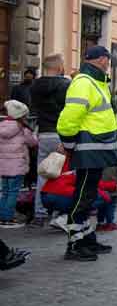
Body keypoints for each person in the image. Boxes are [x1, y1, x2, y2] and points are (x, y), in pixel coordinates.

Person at [56, 45, 117, 261]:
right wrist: (67, 142)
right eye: (107, 59)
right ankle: (75, 244)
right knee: (83, 196)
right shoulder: (84, 82)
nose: (108, 63)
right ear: (101, 59)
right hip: (88, 147)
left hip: (96, 147)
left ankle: (86, 238)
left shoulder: (95, 81)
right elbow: (71, 115)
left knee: (89, 194)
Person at [28, 54, 70, 227]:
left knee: (44, 173)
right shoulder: (65, 84)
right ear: (59, 66)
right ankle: (60, 213)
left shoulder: (35, 85)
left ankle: (39, 213)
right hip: (62, 133)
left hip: (44, 133)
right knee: (65, 174)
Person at [40, 155, 117, 231]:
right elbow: (91, 184)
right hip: (58, 196)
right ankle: (66, 219)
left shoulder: (70, 160)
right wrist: (113, 188)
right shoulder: (83, 164)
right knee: (97, 198)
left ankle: (60, 217)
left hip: (45, 195)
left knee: (78, 196)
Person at [0, 100, 38, 228]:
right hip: (17, 166)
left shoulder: (1, 126)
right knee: (13, 193)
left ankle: (2, 216)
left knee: (5, 192)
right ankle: (8, 218)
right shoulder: (22, 129)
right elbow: (32, 143)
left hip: (3, 166)